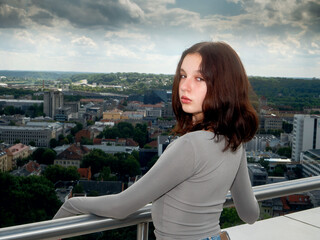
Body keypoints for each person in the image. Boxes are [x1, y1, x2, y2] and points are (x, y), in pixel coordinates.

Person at [53, 41, 260, 240]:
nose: (184, 87)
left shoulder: (190, 145)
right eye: (183, 75)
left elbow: (122, 206)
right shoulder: (234, 143)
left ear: (225, 86)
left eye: (199, 78)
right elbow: (250, 214)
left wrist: (72, 205)